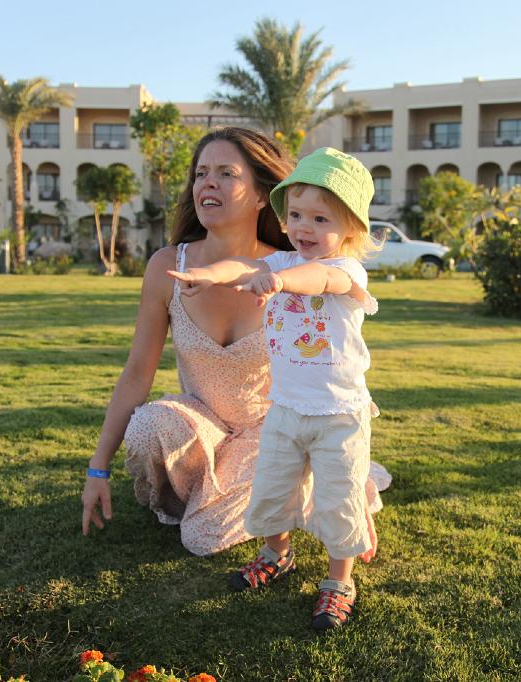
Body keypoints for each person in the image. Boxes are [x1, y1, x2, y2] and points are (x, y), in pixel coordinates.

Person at [80, 129, 390, 561]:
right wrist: (97, 468)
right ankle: (245, 494)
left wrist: (279, 281)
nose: (208, 182)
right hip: (202, 425)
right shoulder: (169, 266)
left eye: (226, 173)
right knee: (150, 424)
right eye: (201, 173)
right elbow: (136, 374)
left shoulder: (297, 269)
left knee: (202, 538)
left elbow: (337, 369)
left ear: (262, 195)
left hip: (274, 429)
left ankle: (332, 482)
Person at [167, 147, 381, 630]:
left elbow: (318, 279)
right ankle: (276, 553)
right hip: (283, 409)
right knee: (272, 487)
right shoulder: (281, 259)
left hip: (338, 415)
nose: (304, 227)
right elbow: (241, 268)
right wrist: (206, 275)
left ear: (350, 228)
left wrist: (279, 281)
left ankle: (339, 581)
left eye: (321, 219)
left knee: (339, 497)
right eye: (297, 215)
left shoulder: (347, 271)